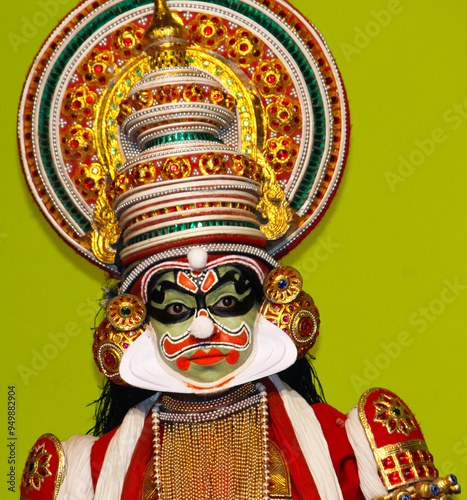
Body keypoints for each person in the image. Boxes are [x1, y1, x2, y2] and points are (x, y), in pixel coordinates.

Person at [17, 0, 460, 498]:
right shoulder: (80, 475)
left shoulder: (360, 445)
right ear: (134, 318)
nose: (203, 326)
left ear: (270, 300)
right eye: (177, 307)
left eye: (228, 301)